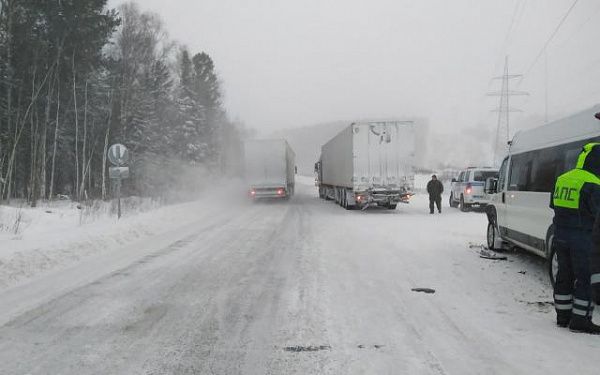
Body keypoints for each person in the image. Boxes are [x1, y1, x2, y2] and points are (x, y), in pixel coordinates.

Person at [551, 142, 600, 334]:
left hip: (560, 234)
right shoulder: (594, 183)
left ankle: (563, 317)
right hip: (582, 237)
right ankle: (581, 320)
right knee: (585, 278)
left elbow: (553, 204)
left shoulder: (562, 178)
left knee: (564, 274)